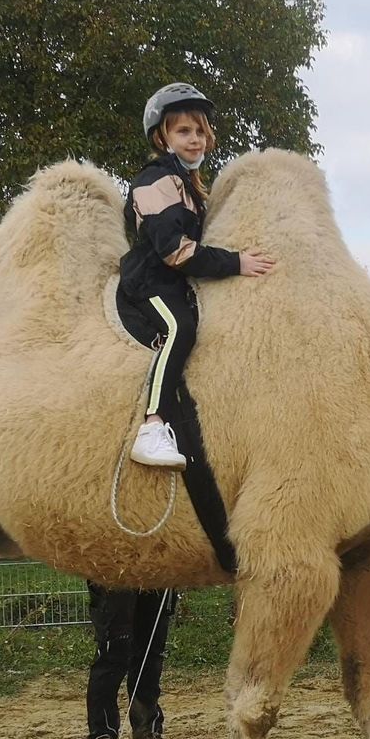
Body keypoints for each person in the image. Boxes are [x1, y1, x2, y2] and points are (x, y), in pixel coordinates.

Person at [118, 81, 275, 468]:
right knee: (180, 329)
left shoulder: (186, 184)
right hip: (149, 282)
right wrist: (236, 262)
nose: (195, 140)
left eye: (200, 131)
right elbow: (174, 250)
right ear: (162, 136)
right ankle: (152, 426)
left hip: (173, 281)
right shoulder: (155, 181)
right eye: (183, 131)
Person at [84, 581, 190, 739]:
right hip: (114, 570)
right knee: (113, 653)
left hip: (157, 571)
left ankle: (146, 737)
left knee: (151, 652)